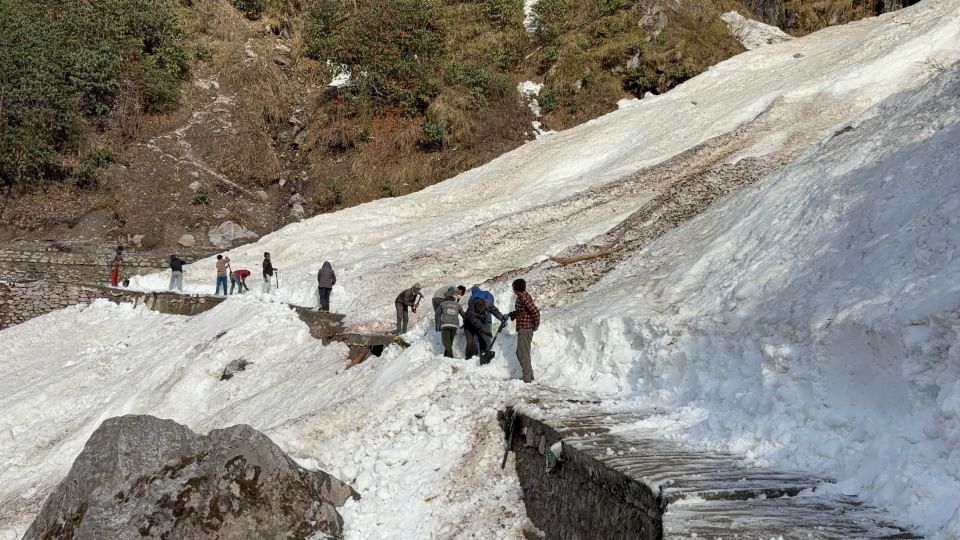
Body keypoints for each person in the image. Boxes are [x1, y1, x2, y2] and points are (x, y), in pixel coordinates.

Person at [509, 278, 540, 383]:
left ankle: (527, 377)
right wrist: (512, 315)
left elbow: (535, 311)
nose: (513, 290)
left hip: (526, 328)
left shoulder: (524, 297)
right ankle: (529, 376)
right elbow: (522, 311)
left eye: (513, 288)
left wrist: (535, 325)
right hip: (524, 327)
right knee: (523, 352)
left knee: (521, 353)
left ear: (516, 289)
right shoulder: (521, 297)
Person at [464, 284, 507, 357]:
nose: (481, 312)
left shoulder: (488, 303)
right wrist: (486, 331)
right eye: (479, 311)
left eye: (483, 311)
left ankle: (484, 355)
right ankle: (471, 357)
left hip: (484, 317)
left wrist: (502, 318)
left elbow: (495, 311)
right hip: (470, 321)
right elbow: (477, 325)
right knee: (477, 337)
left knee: (485, 339)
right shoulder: (471, 310)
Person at [435, 288, 462, 358]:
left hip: (446, 324)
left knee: (445, 341)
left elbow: (437, 314)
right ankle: (446, 356)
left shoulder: (442, 304)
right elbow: (464, 314)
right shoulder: (457, 305)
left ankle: (450, 356)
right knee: (449, 342)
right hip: (454, 326)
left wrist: (437, 324)